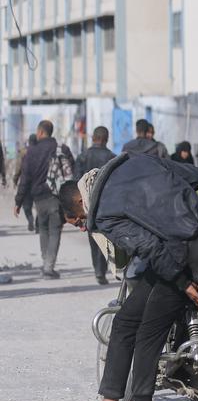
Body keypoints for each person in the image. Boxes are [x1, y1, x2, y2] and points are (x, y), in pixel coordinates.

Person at [66, 152, 198, 401]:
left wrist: (181, 280)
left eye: (78, 221)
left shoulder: (103, 213)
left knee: (150, 330)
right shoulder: (137, 160)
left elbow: (148, 246)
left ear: (80, 202)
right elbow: (196, 176)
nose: (84, 226)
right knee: (125, 320)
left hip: (182, 258)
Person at [14, 121, 74, 279]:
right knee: (55, 230)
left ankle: (46, 263)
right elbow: (72, 171)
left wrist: (18, 202)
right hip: (56, 196)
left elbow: (25, 178)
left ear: (40, 132)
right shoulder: (61, 148)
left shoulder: (31, 151)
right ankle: (49, 266)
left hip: (39, 198)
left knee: (43, 228)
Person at [75, 126, 117, 284]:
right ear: (106, 139)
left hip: (87, 205)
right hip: (107, 204)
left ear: (93, 137)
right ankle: (103, 268)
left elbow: (75, 181)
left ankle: (98, 270)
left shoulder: (82, 156)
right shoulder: (112, 158)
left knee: (93, 237)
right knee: (106, 237)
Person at [13, 134, 38, 232]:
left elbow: (18, 167)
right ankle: (37, 222)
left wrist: (15, 179)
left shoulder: (23, 152)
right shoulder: (42, 151)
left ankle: (30, 219)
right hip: (39, 182)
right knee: (39, 204)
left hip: (26, 181)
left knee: (27, 205)